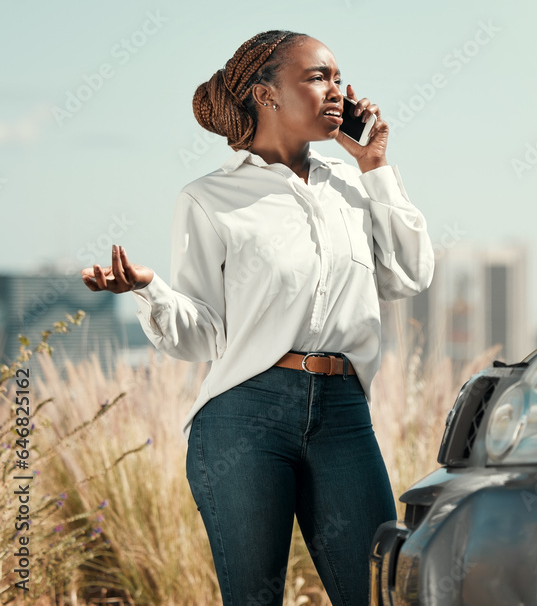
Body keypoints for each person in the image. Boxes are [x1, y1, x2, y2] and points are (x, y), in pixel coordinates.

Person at [80, 29, 434, 605]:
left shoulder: (353, 185)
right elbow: (204, 334)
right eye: (318, 76)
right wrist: (151, 291)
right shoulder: (208, 199)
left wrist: (376, 167)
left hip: (344, 412)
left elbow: (410, 276)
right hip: (245, 415)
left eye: (339, 77)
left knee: (382, 592)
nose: (337, 90)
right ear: (266, 95)